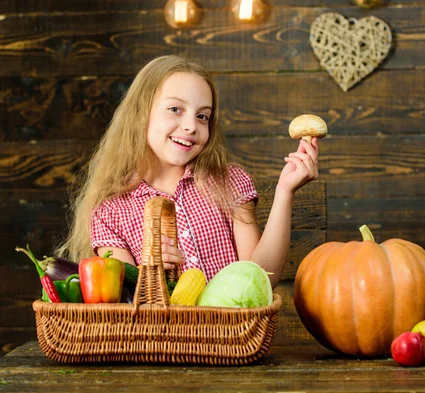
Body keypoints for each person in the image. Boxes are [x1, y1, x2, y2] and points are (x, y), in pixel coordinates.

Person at [56, 55, 319, 287]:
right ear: (140, 113)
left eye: (202, 116)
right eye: (175, 109)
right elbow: (127, 302)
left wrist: (285, 191)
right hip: (162, 341)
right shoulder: (110, 212)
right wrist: (150, 270)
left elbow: (262, 277)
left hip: (233, 339)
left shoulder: (228, 182)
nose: (191, 126)